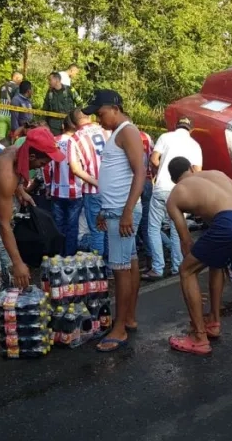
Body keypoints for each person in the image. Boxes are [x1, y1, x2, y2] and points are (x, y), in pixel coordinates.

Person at [0, 127, 65, 350]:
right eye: (45, 161)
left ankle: (10, 317)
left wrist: (20, 191)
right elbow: (5, 225)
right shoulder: (7, 172)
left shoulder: (14, 151)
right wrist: (19, 263)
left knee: (8, 272)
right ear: (33, 155)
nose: (45, 166)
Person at [165, 157, 232, 355]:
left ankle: (199, 337)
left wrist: (192, 279)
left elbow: (186, 242)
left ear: (174, 180)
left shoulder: (176, 195)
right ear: (192, 169)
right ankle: (213, 322)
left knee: (186, 271)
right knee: (217, 262)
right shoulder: (216, 173)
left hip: (230, 223)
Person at [81, 90, 146, 352]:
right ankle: (128, 318)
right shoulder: (118, 133)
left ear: (115, 108)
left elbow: (140, 171)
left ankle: (119, 329)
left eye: (101, 113)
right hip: (116, 209)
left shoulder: (127, 131)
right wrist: (104, 210)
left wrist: (127, 211)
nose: (99, 118)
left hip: (122, 211)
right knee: (129, 265)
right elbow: (115, 176)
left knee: (119, 271)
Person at [145, 118, 203, 280]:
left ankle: (158, 268)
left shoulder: (165, 137)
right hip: (182, 190)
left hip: (162, 188)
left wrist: (161, 169)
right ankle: (177, 266)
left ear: (175, 126)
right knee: (177, 229)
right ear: (190, 130)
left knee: (154, 228)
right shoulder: (195, 145)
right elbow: (197, 171)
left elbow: (154, 159)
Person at [46, 110, 98, 256]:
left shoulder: (54, 141)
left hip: (56, 190)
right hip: (76, 191)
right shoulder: (78, 141)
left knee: (58, 226)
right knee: (72, 226)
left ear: (63, 126)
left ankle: (57, 256)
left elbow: (47, 166)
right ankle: (70, 257)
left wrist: (48, 185)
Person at [72, 110, 110, 256]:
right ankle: (111, 268)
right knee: (110, 230)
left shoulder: (75, 139)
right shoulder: (106, 131)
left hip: (92, 191)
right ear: (89, 116)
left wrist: (96, 182)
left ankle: (99, 270)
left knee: (97, 232)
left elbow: (75, 169)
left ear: (74, 123)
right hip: (112, 189)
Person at [136, 129, 156, 270]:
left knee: (134, 221)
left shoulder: (125, 136)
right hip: (148, 181)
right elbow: (154, 159)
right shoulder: (146, 136)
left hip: (135, 182)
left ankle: (139, 260)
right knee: (147, 223)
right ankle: (150, 260)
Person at [42, 72, 82, 136]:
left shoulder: (70, 90)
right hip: (54, 127)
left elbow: (80, 104)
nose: (49, 82)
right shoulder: (49, 93)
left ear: (57, 80)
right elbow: (45, 109)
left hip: (69, 125)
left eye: (50, 80)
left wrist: (76, 118)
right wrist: (44, 123)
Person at [0, 72, 23, 141]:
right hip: (11, 116)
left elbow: (0, 99)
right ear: (15, 78)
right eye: (20, 79)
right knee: (15, 136)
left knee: (0, 137)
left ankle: (0, 150)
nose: (21, 82)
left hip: (1, 114)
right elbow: (16, 102)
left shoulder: (2, 86)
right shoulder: (17, 88)